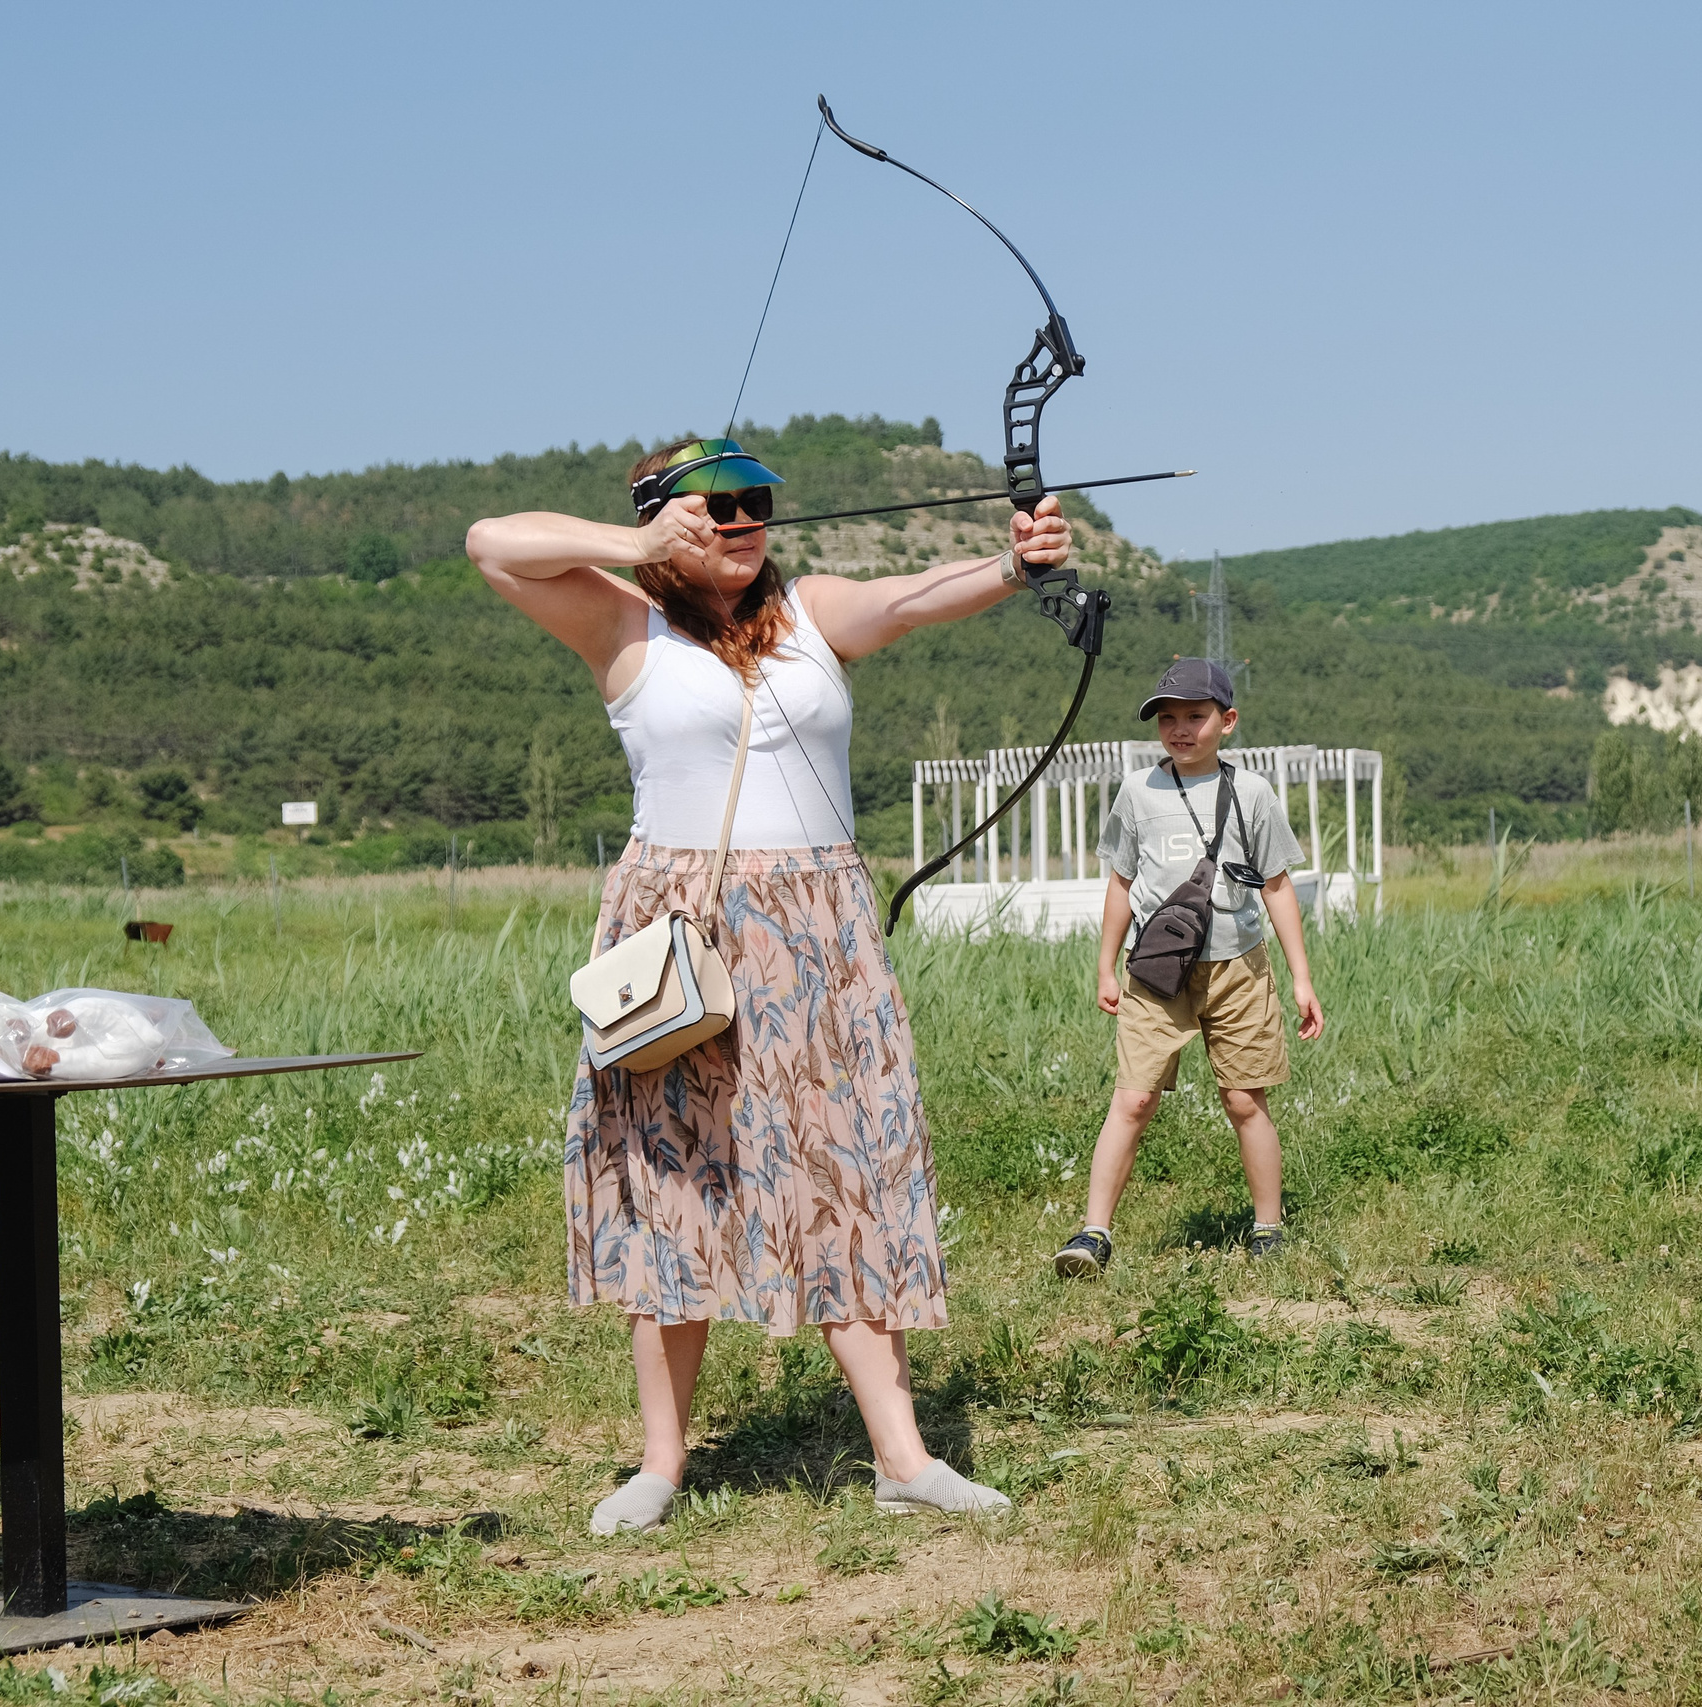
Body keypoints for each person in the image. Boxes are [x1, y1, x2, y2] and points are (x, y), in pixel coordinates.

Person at [467, 435, 1073, 1530]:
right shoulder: (621, 619)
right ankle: (659, 1466)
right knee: (672, 1181)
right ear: (667, 516)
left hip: (818, 933)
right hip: (683, 933)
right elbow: (491, 545)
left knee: (849, 1174)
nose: (745, 521)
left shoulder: (810, 613)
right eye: (718, 507)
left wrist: (1014, 565)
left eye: (756, 504)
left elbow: (910, 598)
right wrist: (636, 544)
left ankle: (901, 1459)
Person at [1052, 659, 1324, 1280]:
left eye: (1195, 716)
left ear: (1227, 722)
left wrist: (1301, 977)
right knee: (1134, 1097)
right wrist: (1104, 965)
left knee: (1244, 1099)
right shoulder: (1137, 792)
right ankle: (1093, 1234)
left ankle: (1267, 1227)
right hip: (1155, 972)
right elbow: (1121, 881)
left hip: (1239, 968)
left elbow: (1278, 886)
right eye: (1167, 718)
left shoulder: (1252, 792)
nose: (1180, 728)